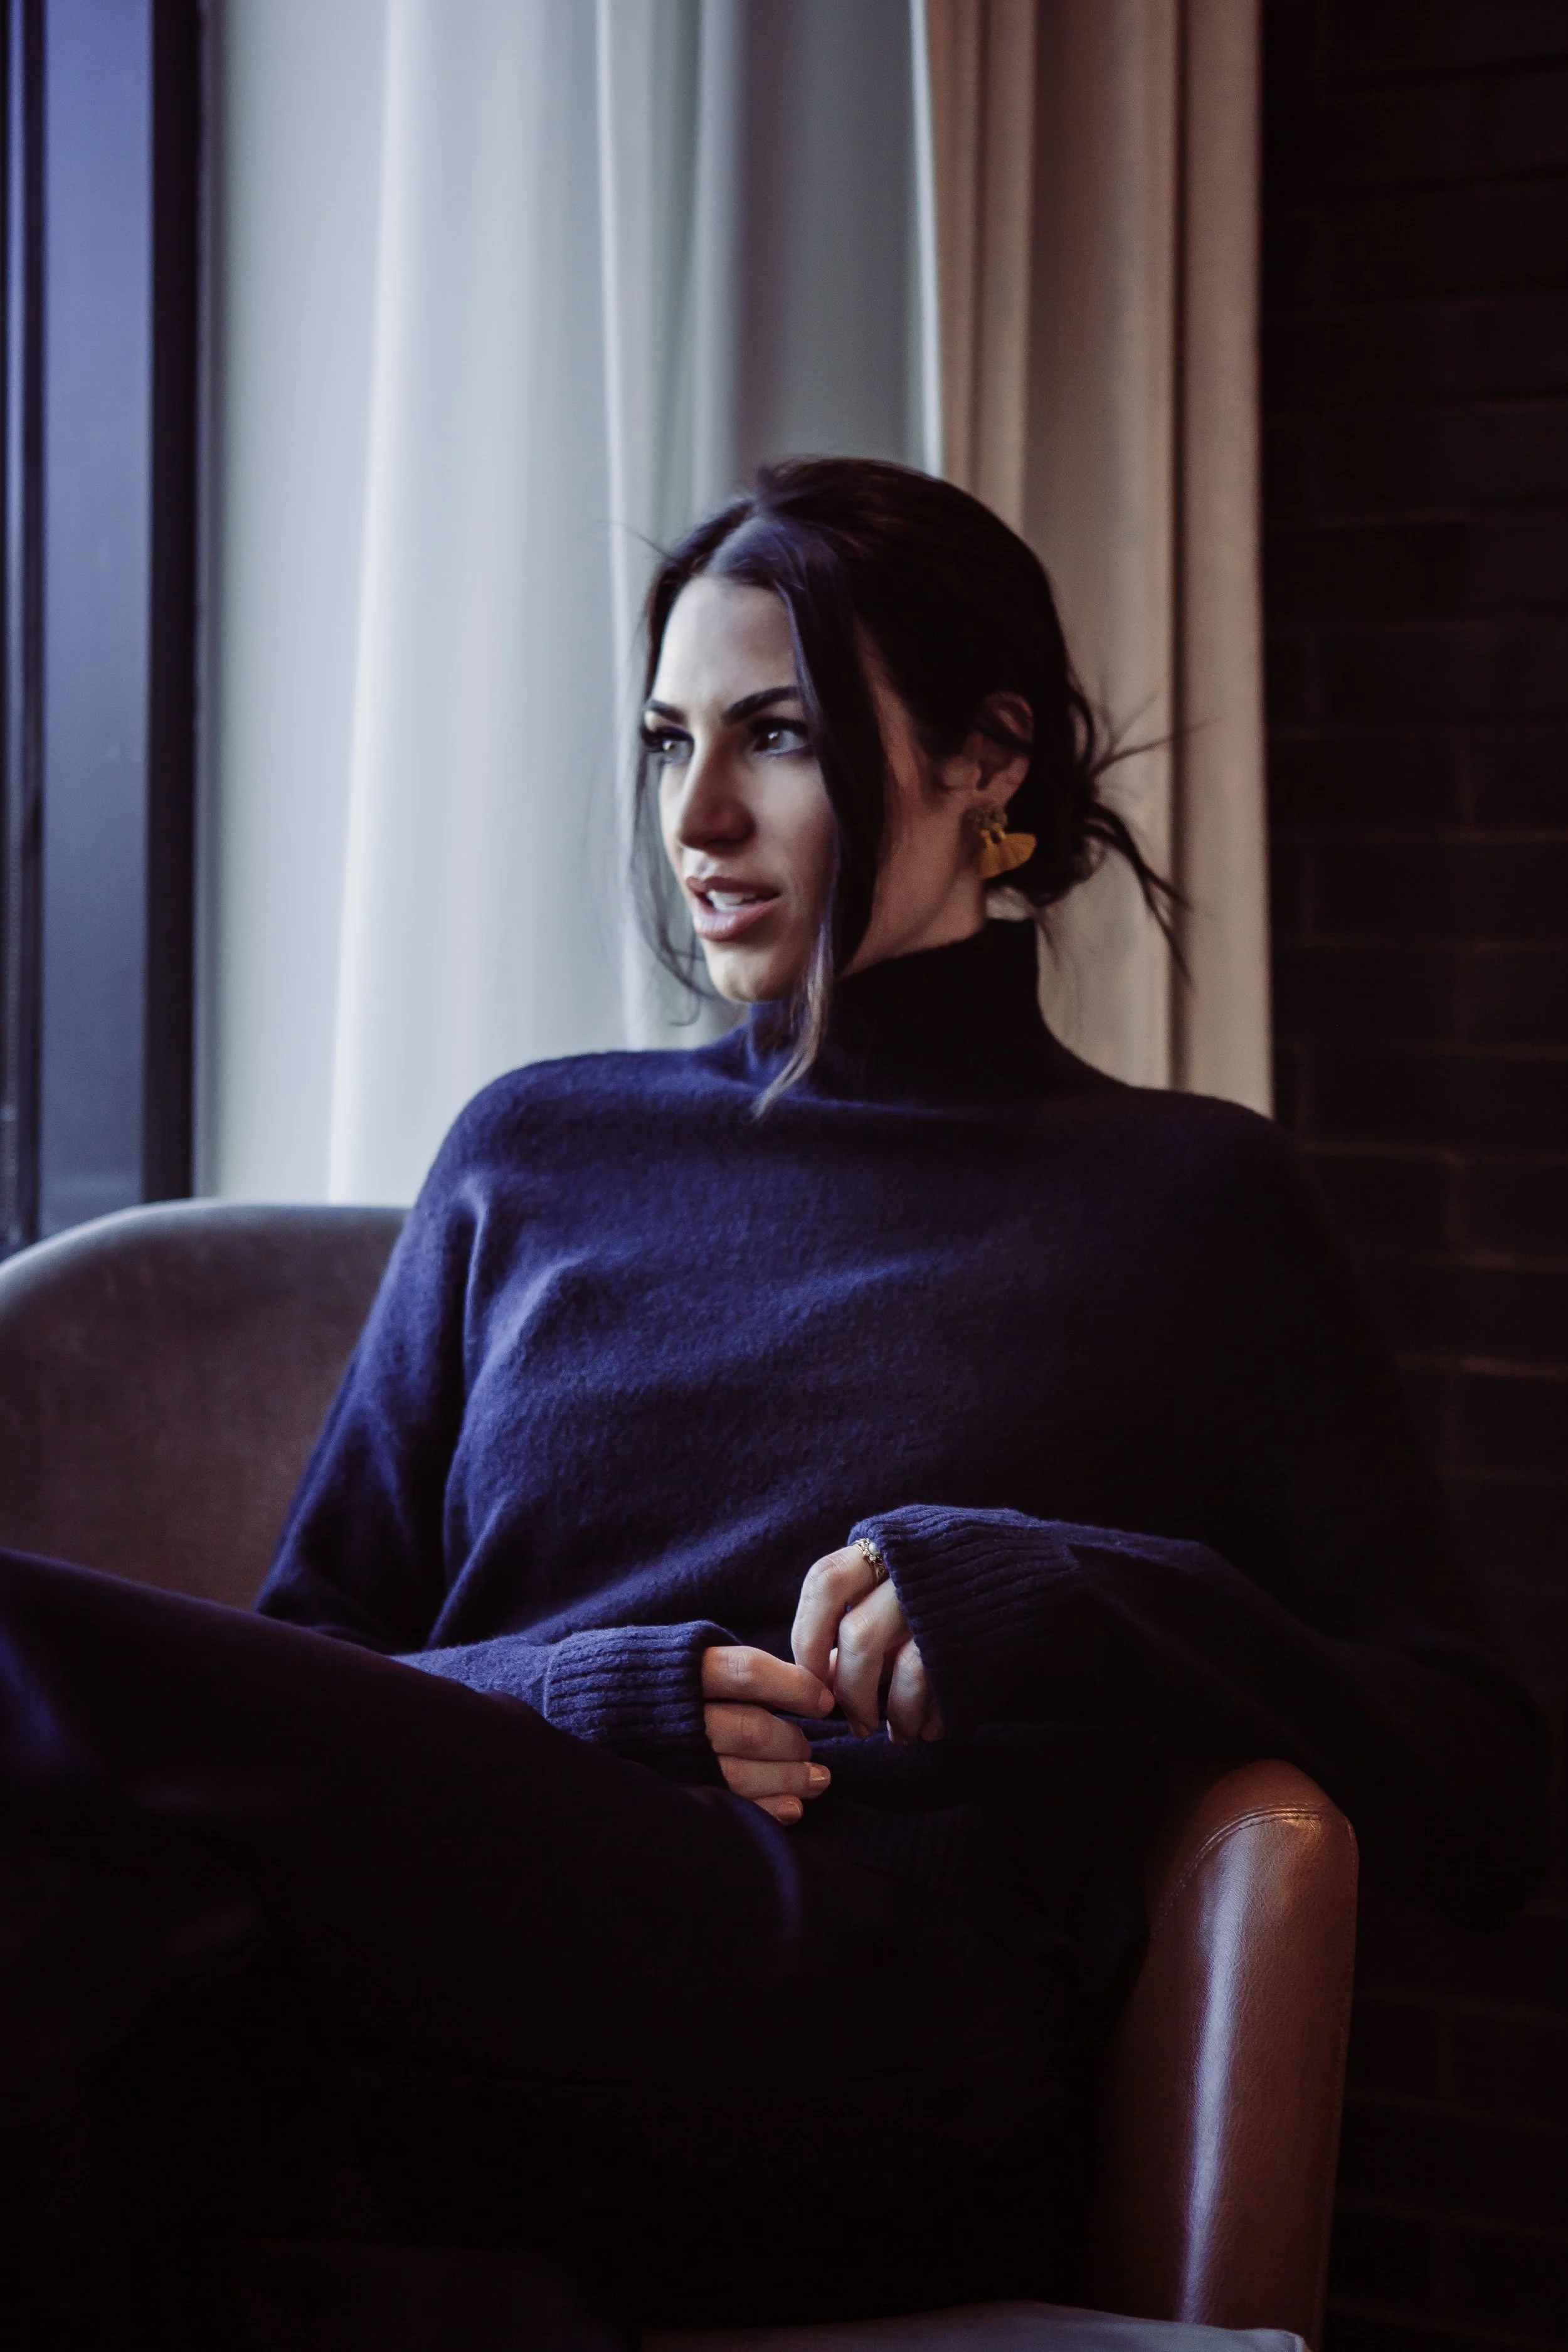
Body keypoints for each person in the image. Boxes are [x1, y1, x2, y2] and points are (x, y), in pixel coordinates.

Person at [1, 460, 1548, 2351]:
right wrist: (585, 1701)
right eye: (667, 742)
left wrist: (1078, 1595)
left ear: (991, 759)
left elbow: (1478, 1781)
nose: (698, 818)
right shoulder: (533, 1147)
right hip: (471, 1998)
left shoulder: (1187, 1200)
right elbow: (315, 1660)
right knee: (69, 1938)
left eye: (779, 736)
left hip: (866, 2040)